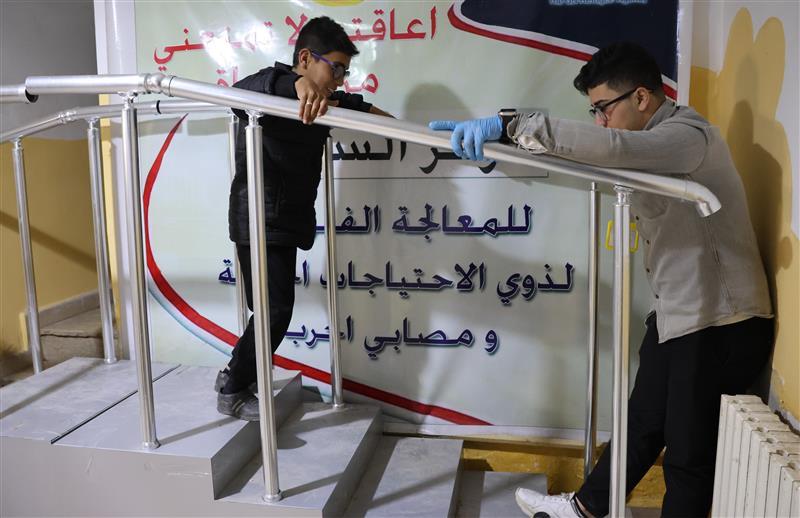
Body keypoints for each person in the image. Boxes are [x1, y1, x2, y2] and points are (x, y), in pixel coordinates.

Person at [430, 42, 773, 517]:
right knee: (642, 423)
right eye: (592, 111)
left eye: (603, 108)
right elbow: (584, 164)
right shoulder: (649, 147)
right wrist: (500, 151)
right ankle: (586, 509)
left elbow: (612, 149)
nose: (599, 122)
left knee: (688, 459)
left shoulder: (689, 137)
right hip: (682, 315)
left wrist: (514, 124)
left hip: (721, 322)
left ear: (641, 98)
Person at [216, 16, 391, 421]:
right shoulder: (271, 87)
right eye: (336, 67)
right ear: (306, 58)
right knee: (275, 311)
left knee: (269, 311)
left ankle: (234, 373)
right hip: (256, 220)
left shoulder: (327, 102)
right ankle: (233, 386)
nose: (341, 78)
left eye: (346, 70)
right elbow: (238, 93)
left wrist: (425, 136)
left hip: (285, 223)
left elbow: (371, 114)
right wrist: (295, 84)